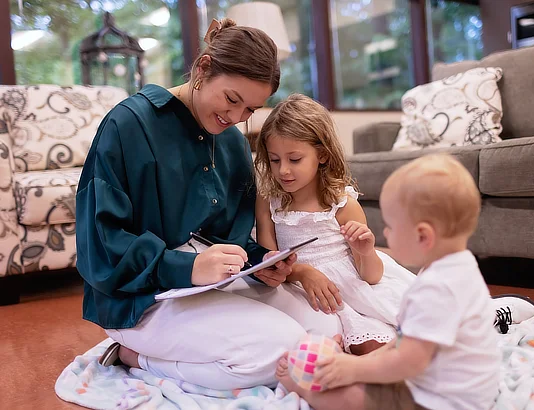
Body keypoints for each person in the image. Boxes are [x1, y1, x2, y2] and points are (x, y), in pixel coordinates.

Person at [75, 18, 341, 391]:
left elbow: (230, 234)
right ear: (203, 69)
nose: (234, 118)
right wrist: (187, 266)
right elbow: (100, 246)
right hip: (139, 295)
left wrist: (259, 262)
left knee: (326, 328)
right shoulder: (128, 125)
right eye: (232, 99)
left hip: (207, 285)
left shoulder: (231, 141)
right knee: (282, 352)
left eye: (249, 110)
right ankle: (136, 358)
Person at [275, 154, 502, 410]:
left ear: (422, 236)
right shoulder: (461, 268)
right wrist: (363, 365)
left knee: (353, 397)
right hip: (467, 390)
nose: (385, 233)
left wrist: (354, 369)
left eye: (391, 227)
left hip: (441, 401)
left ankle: (307, 392)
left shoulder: (436, 290)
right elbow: (407, 340)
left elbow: (408, 363)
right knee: (368, 373)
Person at [254, 94, 416, 355]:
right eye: (275, 160)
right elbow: (268, 262)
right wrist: (301, 272)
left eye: (294, 159)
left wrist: (365, 250)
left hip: (352, 288)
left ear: (322, 155)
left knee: (386, 341)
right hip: (299, 288)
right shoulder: (268, 201)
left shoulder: (341, 204)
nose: (283, 170)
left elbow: (371, 276)